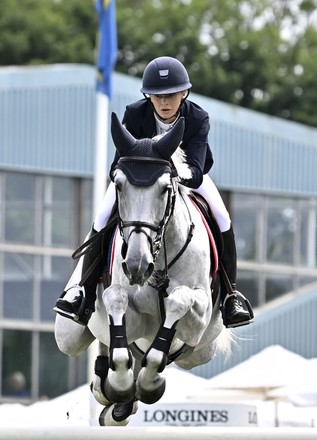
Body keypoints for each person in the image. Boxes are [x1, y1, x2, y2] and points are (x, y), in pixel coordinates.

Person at [54, 56, 253, 328]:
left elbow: (195, 170)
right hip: (137, 180)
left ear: (184, 93)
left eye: (171, 95)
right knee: (102, 215)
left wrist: (171, 175)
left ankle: (231, 295)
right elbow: (117, 164)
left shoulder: (197, 118)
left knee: (221, 215)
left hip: (186, 177)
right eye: (157, 96)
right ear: (149, 96)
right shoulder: (135, 114)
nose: (164, 102)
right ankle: (84, 292)